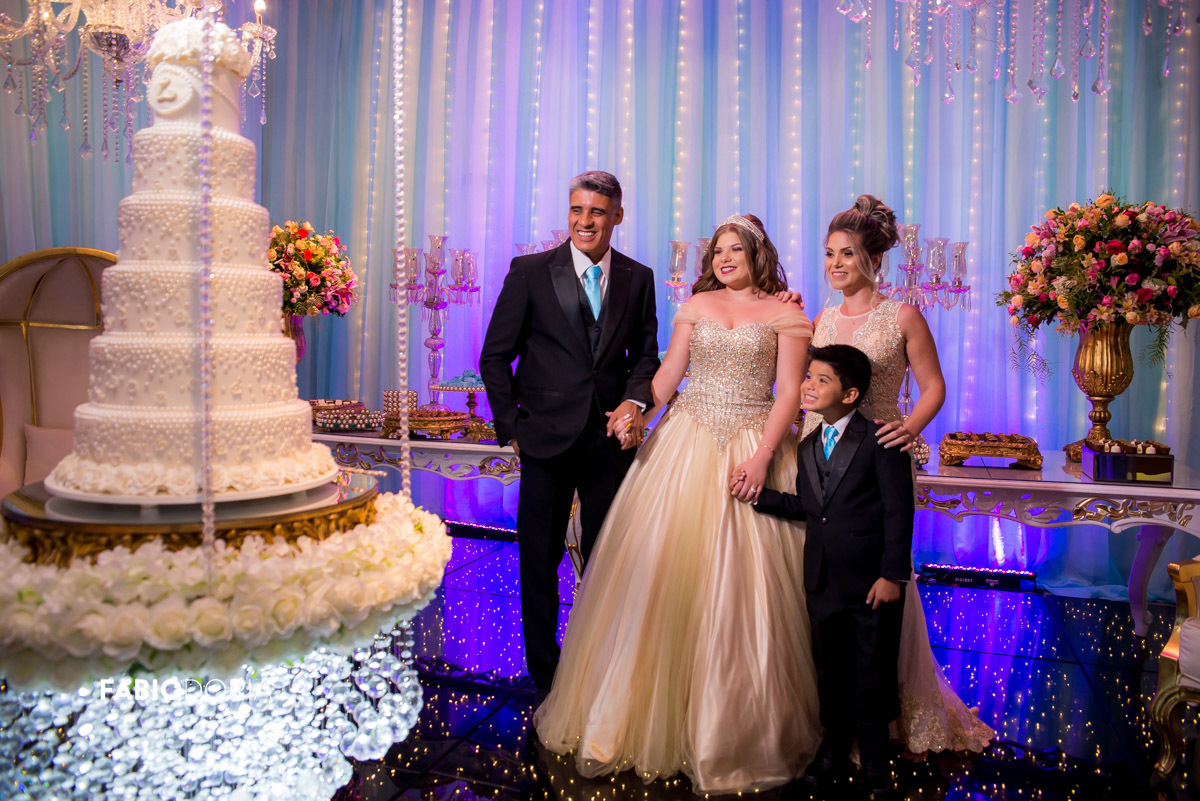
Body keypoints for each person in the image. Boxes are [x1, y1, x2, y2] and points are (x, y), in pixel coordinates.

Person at [533, 214, 821, 793]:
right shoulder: (696, 306)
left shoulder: (787, 315)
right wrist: (638, 407)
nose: (724, 257)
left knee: (745, 590)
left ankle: (733, 726)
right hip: (685, 440)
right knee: (661, 581)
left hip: (752, 440)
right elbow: (669, 374)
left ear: (758, 254)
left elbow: (789, 391)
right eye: (718, 250)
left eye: (736, 249)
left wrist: (764, 457)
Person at [779, 194, 994, 755]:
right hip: (821, 455)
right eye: (829, 254)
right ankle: (829, 716)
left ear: (873, 258)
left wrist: (909, 428)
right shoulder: (821, 316)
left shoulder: (901, 315)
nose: (835, 264)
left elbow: (934, 386)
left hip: (874, 463)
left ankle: (874, 721)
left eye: (847, 254)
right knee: (823, 582)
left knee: (878, 582)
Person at [479, 171, 660, 693]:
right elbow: (496, 356)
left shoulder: (638, 277)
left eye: (598, 212)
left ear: (617, 216)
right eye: (577, 210)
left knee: (610, 558)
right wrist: (510, 425)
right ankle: (545, 674)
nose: (585, 221)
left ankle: (601, 665)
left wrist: (634, 401)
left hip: (609, 441)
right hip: (544, 440)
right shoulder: (532, 271)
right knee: (540, 558)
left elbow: (645, 355)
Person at [743, 344, 913, 800]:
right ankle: (833, 748)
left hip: (871, 582)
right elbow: (811, 507)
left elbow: (899, 513)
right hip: (822, 580)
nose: (808, 385)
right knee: (831, 670)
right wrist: (762, 498)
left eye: (822, 380)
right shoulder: (807, 445)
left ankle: (875, 758)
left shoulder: (881, 440)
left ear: (851, 393)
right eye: (808, 377)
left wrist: (892, 575)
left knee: (873, 670)